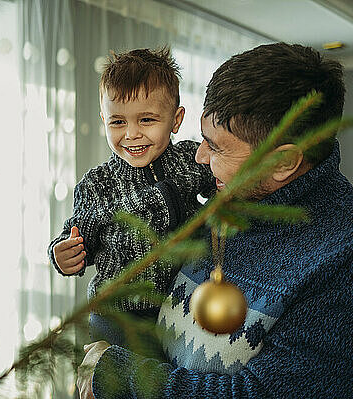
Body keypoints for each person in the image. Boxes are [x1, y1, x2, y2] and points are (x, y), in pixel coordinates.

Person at [78, 43, 353, 399]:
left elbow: (264, 394)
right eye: (203, 139)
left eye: (218, 148)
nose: (200, 157)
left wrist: (118, 373)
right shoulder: (223, 206)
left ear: (283, 163)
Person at [48, 47, 214, 348]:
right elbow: (75, 234)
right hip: (117, 316)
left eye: (147, 120)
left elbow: (224, 191)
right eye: (118, 122)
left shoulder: (191, 159)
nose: (132, 134)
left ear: (175, 120)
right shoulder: (98, 184)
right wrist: (62, 254)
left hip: (184, 303)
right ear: (104, 120)